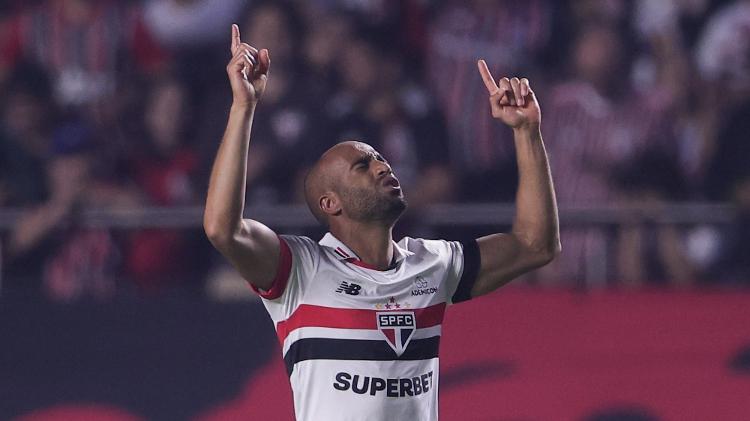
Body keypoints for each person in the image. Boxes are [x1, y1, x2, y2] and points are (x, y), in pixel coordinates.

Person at [203, 24, 560, 421]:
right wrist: (243, 108)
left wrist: (528, 133)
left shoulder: (433, 264)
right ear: (330, 202)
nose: (382, 166)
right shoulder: (299, 270)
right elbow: (223, 228)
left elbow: (535, 245)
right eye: (363, 165)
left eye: (381, 160)